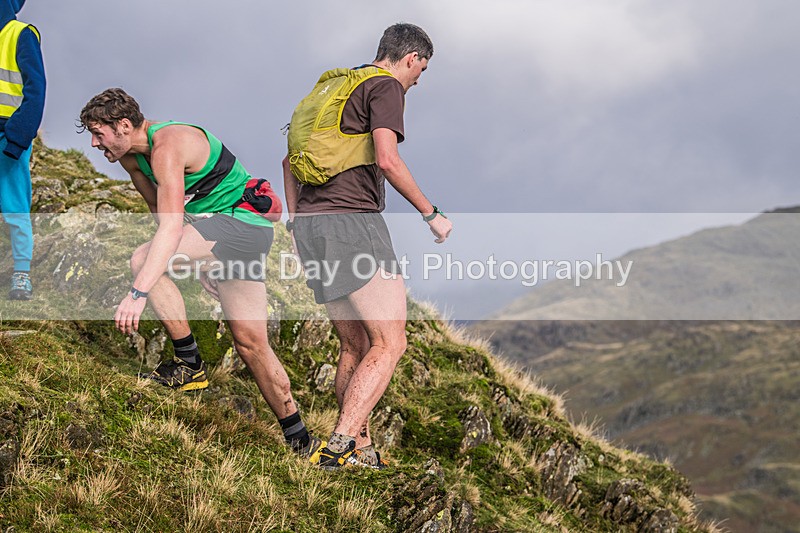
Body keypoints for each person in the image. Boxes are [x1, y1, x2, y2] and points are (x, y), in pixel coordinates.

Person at [79, 88, 324, 460]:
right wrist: (201, 257)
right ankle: (301, 442)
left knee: (142, 261)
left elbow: (170, 230)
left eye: (99, 134)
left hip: (243, 225)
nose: (95, 144)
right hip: (226, 232)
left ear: (124, 125)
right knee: (251, 343)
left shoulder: (167, 146)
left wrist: (137, 295)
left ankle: (189, 364)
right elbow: (162, 214)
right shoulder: (132, 158)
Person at [283, 23, 452, 469]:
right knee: (391, 342)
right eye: (422, 70)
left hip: (312, 226)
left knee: (354, 346)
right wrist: (431, 213)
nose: (418, 80)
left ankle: (360, 448)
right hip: (352, 223)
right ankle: (338, 447)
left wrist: (296, 223)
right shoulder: (385, 87)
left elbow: (287, 161)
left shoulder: (337, 87)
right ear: (411, 58)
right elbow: (388, 160)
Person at [0, 0, 45, 300]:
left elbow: (36, 90)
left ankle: (21, 274)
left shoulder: (21, 34)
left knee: (14, 206)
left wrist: (17, 138)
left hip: (8, 137)